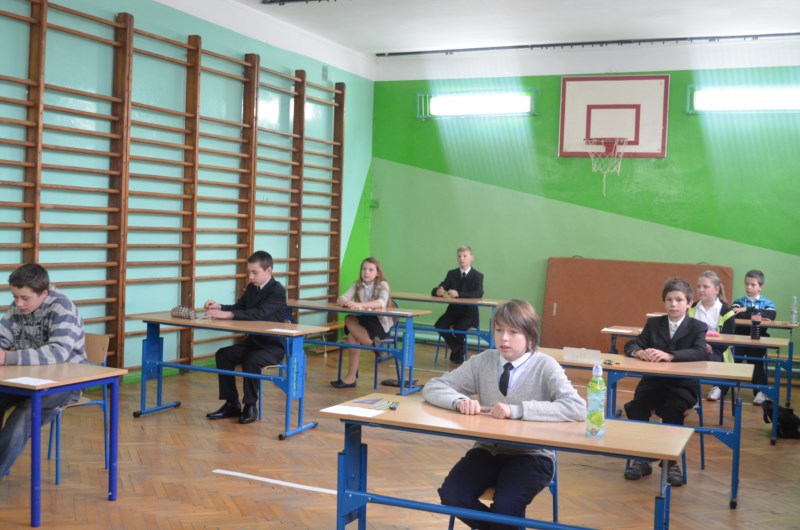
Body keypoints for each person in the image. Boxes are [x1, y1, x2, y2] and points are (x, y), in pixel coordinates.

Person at [423, 299, 585, 530]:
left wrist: (518, 410)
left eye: (513, 332)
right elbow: (434, 386)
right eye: (499, 330)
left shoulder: (545, 366)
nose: (504, 338)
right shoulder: (483, 361)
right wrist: (458, 402)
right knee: (452, 494)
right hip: (487, 450)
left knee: (506, 508)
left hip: (532, 455)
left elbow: (576, 407)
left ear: (530, 335)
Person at [0, 264, 87, 479]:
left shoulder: (62, 308)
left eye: (25, 298)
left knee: (26, 413)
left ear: (44, 294)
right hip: (29, 378)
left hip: (67, 382)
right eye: (15, 296)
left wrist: (7, 357)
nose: (18, 303)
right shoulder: (17, 307)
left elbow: (58, 353)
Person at [623, 277, 708, 487]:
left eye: (679, 300)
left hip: (681, 386)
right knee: (636, 406)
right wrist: (639, 352)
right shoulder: (654, 323)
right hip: (653, 384)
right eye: (669, 300)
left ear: (689, 303)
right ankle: (642, 458)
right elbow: (632, 344)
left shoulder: (697, 326)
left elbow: (700, 351)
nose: (673, 304)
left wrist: (671, 356)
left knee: (673, 408)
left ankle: (671, 462)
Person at [204, 251, 287, 424]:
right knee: (223, 355)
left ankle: (250, 405)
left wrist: (229, 315)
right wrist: (219, 307)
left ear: (269, 271)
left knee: (251, 359)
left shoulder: (277, 291)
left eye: (254, 272)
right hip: (253, 342)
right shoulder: (251, 288)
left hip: (272, 346)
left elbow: (259, 313)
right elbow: (239, 307)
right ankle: (232, 404)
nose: (250, 277)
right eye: (249, 272)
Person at [330, 257, 392, 388]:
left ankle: (351, 378)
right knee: (348, 319)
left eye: (371, 270)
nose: (366, 272)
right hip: (362, 320)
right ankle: (372, 346)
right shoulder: (357, 284)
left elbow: (381, 302)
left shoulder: (383, 285)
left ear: (377, 273)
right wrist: (345, 302)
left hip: (378, 322)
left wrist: (360, 305)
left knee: (352, 336)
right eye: (364, 269)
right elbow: (342, 297)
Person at [731, 269, 777, 405]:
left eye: (752, 284)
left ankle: (760, 392)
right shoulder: (738, 301)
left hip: (758, 339)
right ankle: (720, 388)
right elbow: (735, 314)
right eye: (746, 284)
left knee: (756, 361)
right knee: (732, 360)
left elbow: (771, 315)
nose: (748, 287)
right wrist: (757, 314)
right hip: (739, 338)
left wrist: (747, 310)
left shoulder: (767, 303)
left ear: (760, 287)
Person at [432, 246, 485, 364]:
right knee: (439, 325)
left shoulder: (478, 275)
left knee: (459, 328)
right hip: (453, 311)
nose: (461, 259)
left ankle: (457, 351)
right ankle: (458, 348)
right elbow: (442, 286)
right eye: (459, 256)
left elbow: (479, 293)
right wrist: (438, 291)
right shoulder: (452, 273)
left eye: (465, 256)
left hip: (469, 313)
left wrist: (459, 294)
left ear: (471, 258)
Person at [688, 270, 736, 401]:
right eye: (698, 286)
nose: (700, 290)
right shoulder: (691, 308)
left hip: (717, 350)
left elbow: (726, 343)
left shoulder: (727, 312)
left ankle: (718, 386)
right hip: (695, 347)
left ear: (716, 289)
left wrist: (708, 345)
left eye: (705, 286)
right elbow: (685, 333)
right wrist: (701, 344)